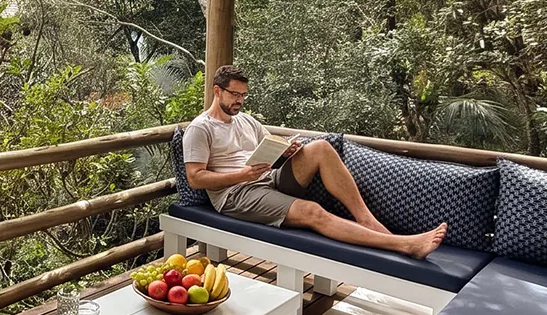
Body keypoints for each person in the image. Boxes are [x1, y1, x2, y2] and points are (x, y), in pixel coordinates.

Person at [183, 65, 447, 260]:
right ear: (217, 91)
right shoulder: (201, 129)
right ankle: (405, 245)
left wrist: (288, 150)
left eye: (243, 95)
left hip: (265, 179)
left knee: (320, 147)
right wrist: (242, 175)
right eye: (234, 94)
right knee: (312, 211)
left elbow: (270, 144)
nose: (239, 100)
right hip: (236, 194)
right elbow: (196, 178)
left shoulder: (245, 120)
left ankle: (365, 219)